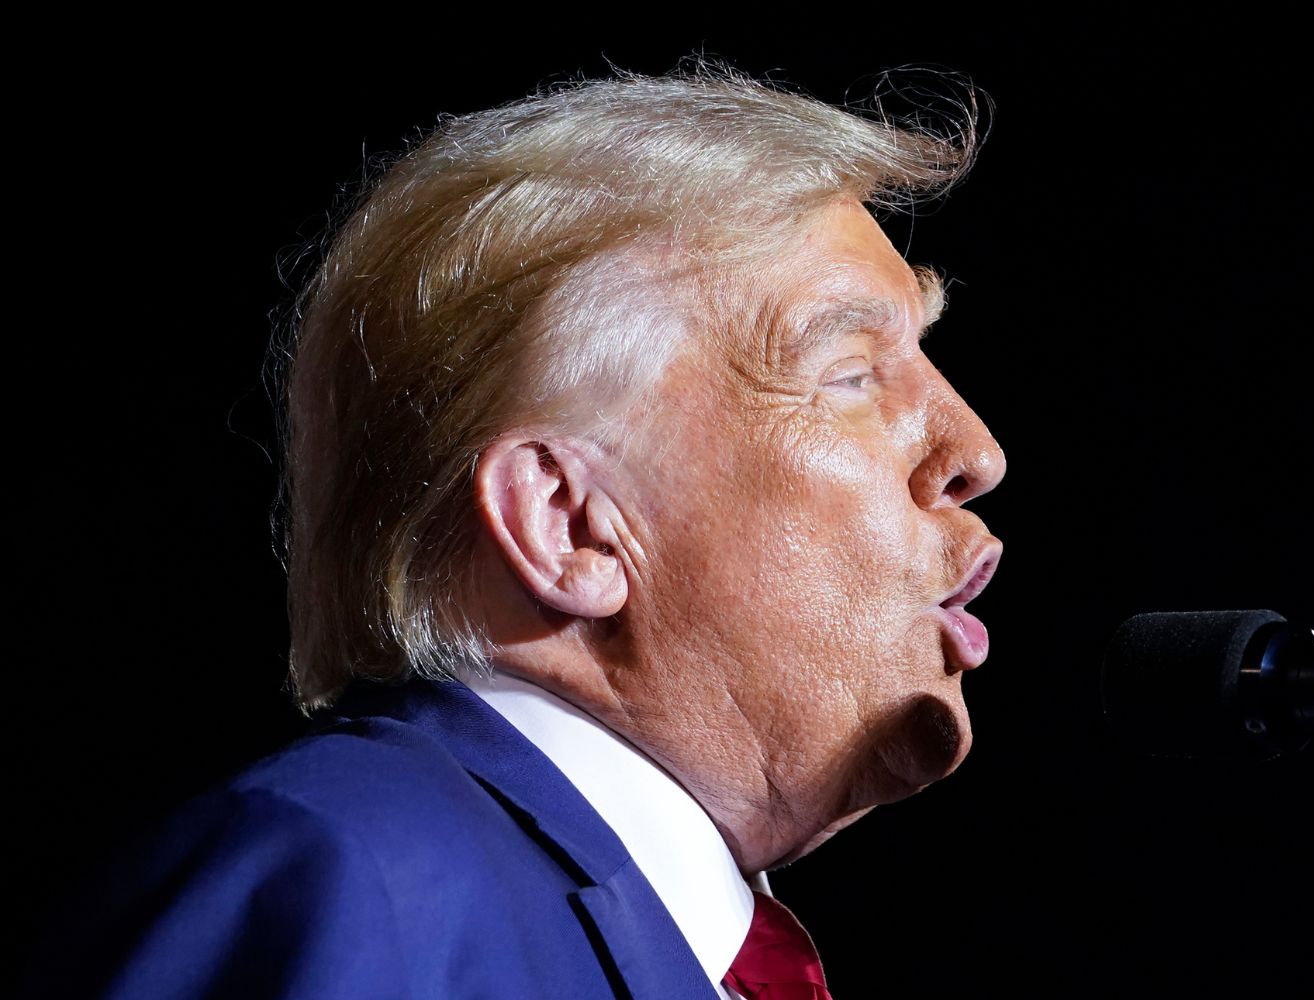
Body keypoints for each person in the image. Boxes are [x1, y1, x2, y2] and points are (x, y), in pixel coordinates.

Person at [32, 57, 1005, 999]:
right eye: (849, 375)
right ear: (569, 524)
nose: (977, 450)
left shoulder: (659, 937)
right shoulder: (352, 875)